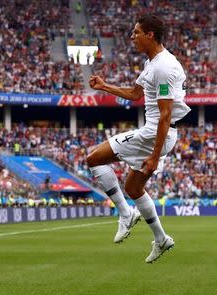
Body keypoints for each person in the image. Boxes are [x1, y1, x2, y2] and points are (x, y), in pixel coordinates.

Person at [87, 15, 190, 263]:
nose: (132, 37)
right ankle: (162, 239)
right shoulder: (152, 63)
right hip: (158, 132)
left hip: (154, 132)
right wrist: (104, 86)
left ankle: (125, 213)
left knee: (94, 159)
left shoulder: (164, 67)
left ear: (150, 35)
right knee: (133, 187)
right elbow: (135, 94)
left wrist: (154, 156)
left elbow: (165, 114)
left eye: (136, 32)